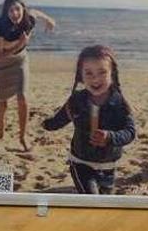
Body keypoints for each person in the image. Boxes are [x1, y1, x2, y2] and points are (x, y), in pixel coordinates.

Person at [42, 45, 136, 195]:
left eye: (102, 72)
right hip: (80, 162)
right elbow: (61, 119)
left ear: (112, 74)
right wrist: (46, 125)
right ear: (81, 75)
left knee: (104, 201)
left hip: (108, 165)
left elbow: (130, 132)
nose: (95, 78)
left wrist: (110, 137)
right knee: (92, 198)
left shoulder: (119, 103)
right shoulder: (77, 100)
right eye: (89, 73)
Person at [0, 0, 55, 151]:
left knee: (22, 97)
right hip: (2, 63)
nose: (14, 13)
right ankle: (0, 128)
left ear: (23, 10)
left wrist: (49, 20)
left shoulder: (29, 20)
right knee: (3, 100)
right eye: (10, 10)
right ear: (6, 13)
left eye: (17, 9)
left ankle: (22, 137)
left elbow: (36, 12)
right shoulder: (1, 27)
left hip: (20, 60)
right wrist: (20, 43)